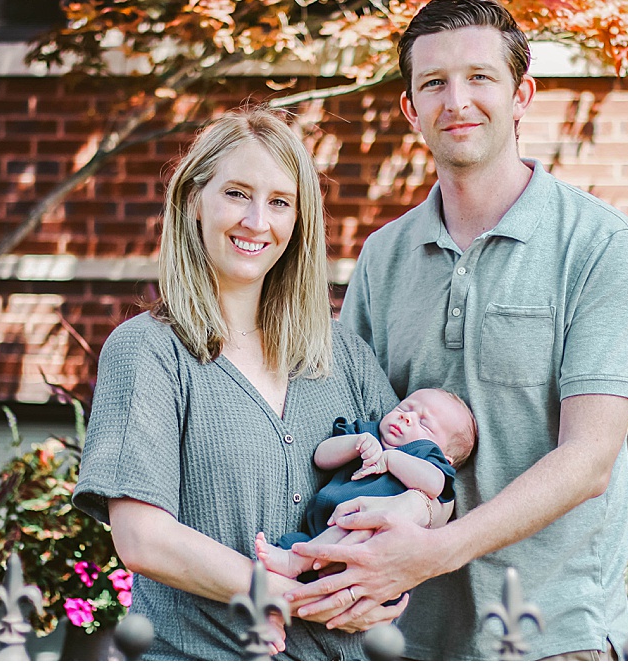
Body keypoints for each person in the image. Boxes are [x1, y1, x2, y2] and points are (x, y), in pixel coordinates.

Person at [283, 0, 628, 661]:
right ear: (410, 109)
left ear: (521, 95)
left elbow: (589, 459)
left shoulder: (599, 243)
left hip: (550, 634)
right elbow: (347, 426)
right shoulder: (383, 256)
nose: (458, 100)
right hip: (404, 633)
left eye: (480, 77)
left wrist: (433, 550)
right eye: (434, 83)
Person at [72, 107, 417, 660]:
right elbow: (141, 538)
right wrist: (294, 595)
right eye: (236, 193)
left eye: (280, 202)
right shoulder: (148, 352)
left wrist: (389, 574)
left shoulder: (342, 354)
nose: (258, 221)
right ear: (193, 202)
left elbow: (427, 479)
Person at [255, 387, 477, 580]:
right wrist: (356, 443)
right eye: (405, 408)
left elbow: (435, 484)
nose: (407, 418)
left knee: (352, 526)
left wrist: (391, 459)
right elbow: (320, 457)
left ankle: (296, 562)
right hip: (317, 530)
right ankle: (274, 614)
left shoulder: (425, 457)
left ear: (444, 458)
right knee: (286, 551)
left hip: (369, 545)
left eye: (425, 424)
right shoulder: (368, 432)